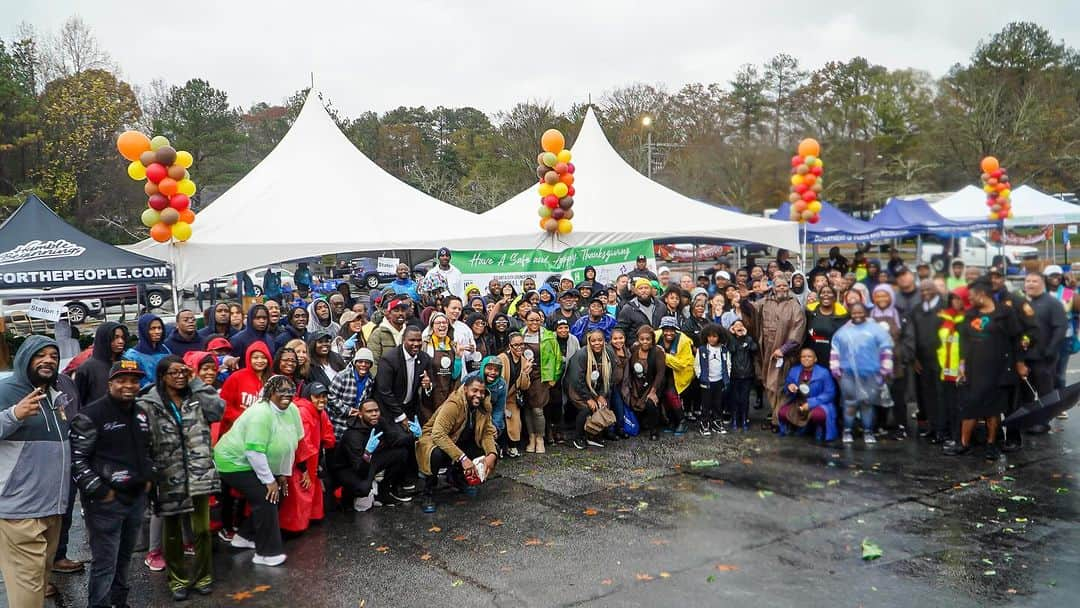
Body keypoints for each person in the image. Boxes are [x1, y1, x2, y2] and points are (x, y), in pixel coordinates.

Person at [138, 355, 223, 600]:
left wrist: (196, 382)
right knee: (172, 531)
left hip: (199, 473)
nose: (179, 376)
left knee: (202, 530)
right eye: (173, 372)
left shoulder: (196, 396)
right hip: (168, 475)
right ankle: (177, 580)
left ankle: (203, 575)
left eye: (182, 371)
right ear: (162, 376)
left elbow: (218, 410)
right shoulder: (148, 403)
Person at [70, 360, 152, 608]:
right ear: (110, 383)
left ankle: (120, 602)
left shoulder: (140, 413)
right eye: (122, 380)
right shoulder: (90, 415)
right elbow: (77, 461)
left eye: (134, 380)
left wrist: (149, 477)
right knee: (105, 563)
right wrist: (101, 491)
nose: (128, 385)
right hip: (105, 504)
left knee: (125, 558)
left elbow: (148, 450)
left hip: (136, 499)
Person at [0, 337, 70, 606]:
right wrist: (13, 415)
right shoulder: (6, 391)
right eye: (40, 354)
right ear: (24, 359)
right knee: (27, 594)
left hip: (52, 510)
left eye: (53, 355)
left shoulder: (54, 396)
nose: (48, 359)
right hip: (19, 513)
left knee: (39, 585)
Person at [213, 375, 303, 567]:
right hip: (233, 462)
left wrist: (282, 475)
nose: (286, 395)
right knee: (267, 496)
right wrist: (269, 481)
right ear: (270, 393)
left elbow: (290, 445)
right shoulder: (261, 414)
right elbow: (254, 452)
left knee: (278, 494)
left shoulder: (292, 410)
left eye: (290, 391)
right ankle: (266, 553)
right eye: (281, 391)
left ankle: (244, 536)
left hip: (258, 462)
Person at [945, 279, 1024, 461]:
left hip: (998, 368)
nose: (969, 300)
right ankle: (963, 444)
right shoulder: (970, 314)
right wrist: (962, 366)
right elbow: (964, 341)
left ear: (982, 295)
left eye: (972, 296)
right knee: (970, 405)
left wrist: (1019, 362)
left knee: (992, 408)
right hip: (974, 368)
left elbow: (1016, 339)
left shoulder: (1005, 313)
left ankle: (991, 444)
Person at [416, 377, 499, 514]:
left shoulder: (484, 406)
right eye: (475, 390)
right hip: (434, 440)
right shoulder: (454, 404)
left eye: (482, 392)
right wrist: (463, 458)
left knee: (486, 449)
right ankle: (428, 492)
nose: (478, 395)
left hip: (459, 439)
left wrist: (492, 455)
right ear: (465, 389)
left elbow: (487, 432)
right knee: (435, 454)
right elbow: (438, 434)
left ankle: (456, 477)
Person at [332, 398, 417, 516]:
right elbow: (359, 470)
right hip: (348, 468)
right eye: (369, 411)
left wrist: (413, 435)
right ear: (360, 415)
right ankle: (346, 497)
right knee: (363, 488)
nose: (374, 414)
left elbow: (395, 440)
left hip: (369, 459)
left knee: (401, 453)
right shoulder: (352, 435)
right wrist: (367, 452)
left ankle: (383, 491)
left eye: (376, 410)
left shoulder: (379, 421)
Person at [830, 303, 894, 445]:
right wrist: (835, 369)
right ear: (850, 313)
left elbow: (886, 349)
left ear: (866, 313)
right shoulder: (842, 332)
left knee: (867, 403)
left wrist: (885, 369)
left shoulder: (876, 330)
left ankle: (868, 431)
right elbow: (835, 350)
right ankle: (847, 431)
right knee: (850, 403)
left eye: (860, 312)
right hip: (848, 374)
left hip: (871, 374)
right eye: (854, 313)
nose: (857, 315)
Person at [278, 382, 335, 532]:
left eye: (324, 396)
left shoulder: (318, 412)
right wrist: (304, 469)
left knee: (308, 492)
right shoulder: (304, 413)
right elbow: (300, 443)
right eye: (317, 397)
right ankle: (291, 527)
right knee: (299, 493)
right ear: (309, 397)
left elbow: (326, 436)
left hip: (311, 461)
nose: (322, 400)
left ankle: (304, 521)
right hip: (300, 463)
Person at [753, 274, 806, 428]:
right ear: (774, 288)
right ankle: (776, 417)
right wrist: (753, 295)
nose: (782, 288)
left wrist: (784, 349)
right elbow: (750, 310)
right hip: (767, 352)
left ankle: (779, 421)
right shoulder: (766, 302)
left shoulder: (793, 304)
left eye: (784, 285)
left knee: (781, 386)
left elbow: (798, 327)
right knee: (769, 385)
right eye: (778, 286)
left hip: (785, 353)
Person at [1021, 270, 1067, 434]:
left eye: (1034, 281)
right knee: (1026, 391)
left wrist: (1051, 349)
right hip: (1027, 356)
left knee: (1045, 391)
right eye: (1028, 281)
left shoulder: (1052, 303)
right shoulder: (1026, 304)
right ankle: (1028, 420)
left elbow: (1061, 327)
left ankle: (1043, 422)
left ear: (1042, 283)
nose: (1030, 284)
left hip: (1044, 357)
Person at [870, 284, 912, 438]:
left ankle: (901, 425)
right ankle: (880, 425)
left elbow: (908, 336)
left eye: (885, 295)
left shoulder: (899, 314)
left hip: (897, 361)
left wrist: (904, 355)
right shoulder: (870, 314)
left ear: (891, 297)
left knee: (898, 395)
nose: (881, 299)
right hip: (875, 363)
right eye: (878, 296)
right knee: (878, 394)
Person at [909, 280, 947, 443]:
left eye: (928, 289)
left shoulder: (945, 307)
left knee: (941, 395)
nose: (925, 292)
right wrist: (914, 357)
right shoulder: (917, 310)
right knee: (927, 395)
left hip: (942, 359)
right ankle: (932, 427)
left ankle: (942, 430)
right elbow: (912, 335)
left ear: (935, 290)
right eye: (922, 290)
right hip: (922, 360)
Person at [519, 311, 560, 454]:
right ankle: (531, 437)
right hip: (524, 375)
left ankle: (540, 438)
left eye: (537, 320)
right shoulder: (520, 334)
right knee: (527, 408)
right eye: (531, 320)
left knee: (537, 409)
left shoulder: (549, 336)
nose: (534, 323)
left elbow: (558, 357)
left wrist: (554, 377)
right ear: (525, 320)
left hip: (541, 376)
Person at [777, 348, 837, 442]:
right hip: (798, 402)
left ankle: (819, 429)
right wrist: (789, 387)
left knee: (818, 415)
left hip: (819, 403)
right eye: (803, 356)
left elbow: (830, 393)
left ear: (815, 359)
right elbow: (786, 385)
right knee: (782, 412)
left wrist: (810, 404)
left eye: (809, 356)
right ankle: (793, 429)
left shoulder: (824, 372)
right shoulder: (794, 370)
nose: (806, 359)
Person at [622, 324, 667, 441]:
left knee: (650, 403)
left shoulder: (658, 352)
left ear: (652, 339)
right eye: (642, 339)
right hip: (637, 383)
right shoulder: (634, 349)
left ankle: (654, 430)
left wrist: (653, 391)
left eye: (648, 339)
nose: (645, 342)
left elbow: (660, 374)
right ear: (638, 340)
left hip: (653, 384)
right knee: (632, 402)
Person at [74, 322, 130, 408]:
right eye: (115, 337)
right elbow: (78, 400)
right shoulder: (87, 368)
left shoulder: (126, 363)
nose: (120, 341)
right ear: (104, 339)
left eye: (123, 337)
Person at [327, 348, 377, 440]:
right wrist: (347, 410)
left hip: (356, 423)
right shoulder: (342, 376)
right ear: (355, 362)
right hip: (338, 422)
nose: (363, 365)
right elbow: (331, 397)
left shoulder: (370, 380)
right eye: (360, 362)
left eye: (367, 362)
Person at [421, 313, 461, 420]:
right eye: (438, 323)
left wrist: (457, 358)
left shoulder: (453, 345)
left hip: (448, 392)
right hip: (430, 394)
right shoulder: (425, 344)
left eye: (444, 322)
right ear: (432, 326)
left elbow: (455, 375)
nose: (442, 325)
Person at [656, 316, 693, 435]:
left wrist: (664, 356)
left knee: (671, 394)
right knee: (663, 395)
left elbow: (682, 364)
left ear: (676, 330)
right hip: (663, 372)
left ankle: (682, 421)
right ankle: (672, 421)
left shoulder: (684, 341)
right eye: (666, 329)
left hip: (679, 373)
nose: (668, 333)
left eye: (672, 330)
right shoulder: (656, 336)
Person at [497, 333, 532, 457]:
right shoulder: (502, 358)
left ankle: (512, 446)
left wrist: (525, 373)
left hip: (512, 397)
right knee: (499, 419)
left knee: (515, 421)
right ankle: (499, 447)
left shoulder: (524, 361)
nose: (519, 347)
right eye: (516, 345)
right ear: (509, 346)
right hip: (498, 397)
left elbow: (524, 386)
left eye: (522, 344)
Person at [693, 324, 730, 436]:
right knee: (705, 404)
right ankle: (704, 423)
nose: (711, 339)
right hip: (706, 382)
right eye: (709, 336)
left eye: (714, 336)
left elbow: (728, 364)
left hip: (719, 381)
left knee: (718, 403)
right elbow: (697, 365)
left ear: (720, 337)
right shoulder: (702, 349)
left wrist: (726, 377)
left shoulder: (724, 349)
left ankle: (717, 422)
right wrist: (700, 376)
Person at [804, 285, 848, 365]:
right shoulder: (809, 312)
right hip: (812, 358)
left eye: (829, 292)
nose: (826, 294)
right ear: (819, 296)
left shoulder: (842, 316)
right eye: (823, 292)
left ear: (834, 297)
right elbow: (807, 332)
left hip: (833, 358)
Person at [726, 318, 757, 432]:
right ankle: (734, 419)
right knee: (734, 398)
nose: (739, 327)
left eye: (741, 325)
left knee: (745, 398)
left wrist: (745, 337)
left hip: (747, 374)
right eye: (736, 325)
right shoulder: (731, 340)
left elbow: (754, 348)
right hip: (734, 374)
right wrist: (732, 336)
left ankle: (744, 419)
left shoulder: (748, 339)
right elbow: (732, 349)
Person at [123, 313, 170, 386]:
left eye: (159, 328)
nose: (157, 332)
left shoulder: (165, 349)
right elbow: (136, 380)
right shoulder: (131, 356)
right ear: (144, 330)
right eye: (152, 328)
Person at [368, 297, 410, 374]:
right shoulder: (378, 333)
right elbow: (372, 362)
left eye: (403, 310)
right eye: (396, 311)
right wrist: (379, 381)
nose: (400, 313)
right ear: (389, 314)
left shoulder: (409, 332)